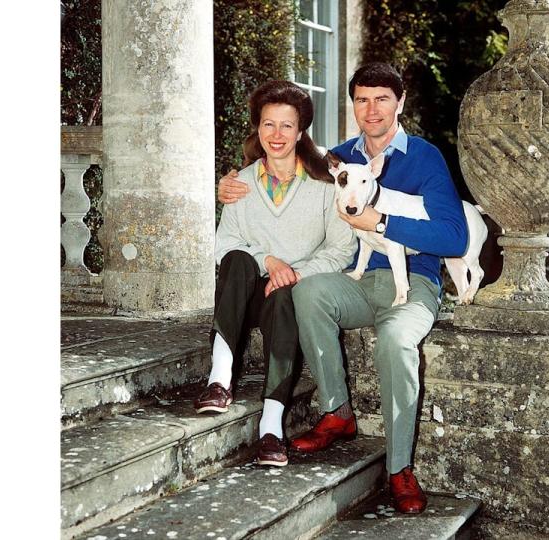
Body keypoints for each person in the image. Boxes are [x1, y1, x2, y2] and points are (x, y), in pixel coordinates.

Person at [217, 63, 469, 514]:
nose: (371, 109)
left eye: (382, 99)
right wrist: (231, 184)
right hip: (354, 280)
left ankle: (398, 468)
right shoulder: (334, 159)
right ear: (353, 105)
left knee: (395, 341)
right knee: (308, 293)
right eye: (362, 99)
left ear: (400, 103)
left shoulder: (425, 157)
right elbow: (278, 168)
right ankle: (338, 413)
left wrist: (385, 222)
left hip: (412, 281)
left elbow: (455, 237)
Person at [197, 80, 357, 468]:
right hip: (245, 294)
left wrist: (295, 273)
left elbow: (343, 248)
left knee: (287, 294)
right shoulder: (241, 183)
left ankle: (271, 428)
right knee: (236, 259)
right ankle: (219, 378)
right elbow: (225, 243)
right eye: (269, 125)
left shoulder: (324, 185)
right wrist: (268, 260)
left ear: (301, 131)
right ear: (258, 128)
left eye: (286, 126)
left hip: (285, 299)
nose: (277, 135)